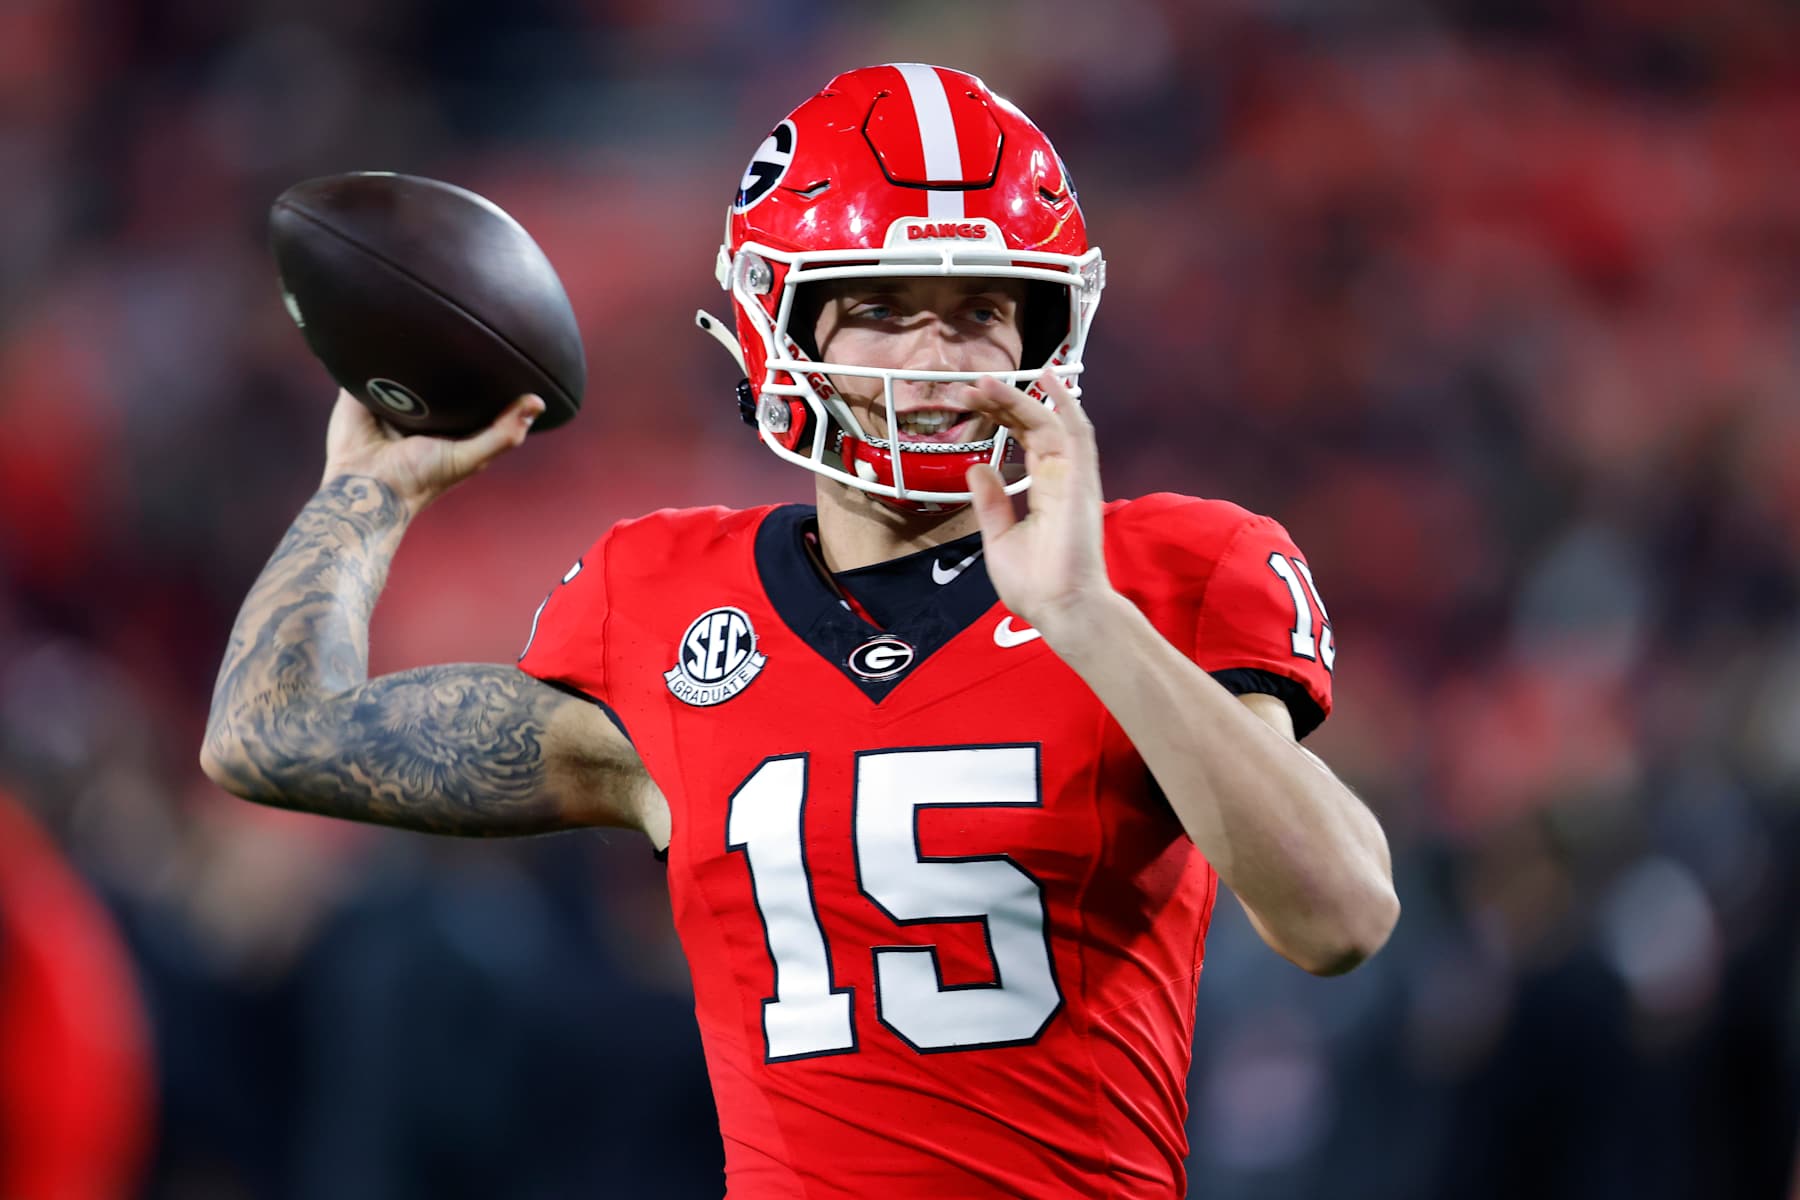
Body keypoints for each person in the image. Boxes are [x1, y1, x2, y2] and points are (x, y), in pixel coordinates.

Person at [202, 63, 1398, 1198]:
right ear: (781, 325)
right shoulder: (658, 598)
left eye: (981, 308)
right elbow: (268, 733)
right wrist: (366, 492)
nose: (937, 354)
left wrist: (1087, 618)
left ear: (1045, 333)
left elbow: (1340, 917)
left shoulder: (1174, 568)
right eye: (882, 306)